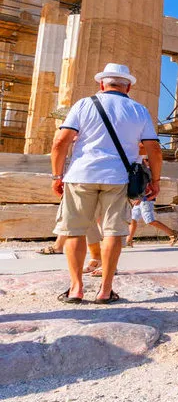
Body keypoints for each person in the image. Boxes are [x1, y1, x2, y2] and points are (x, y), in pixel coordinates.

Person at [50, 63, 161, 305]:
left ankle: (76, 288)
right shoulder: (139, 110)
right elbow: (153, 147)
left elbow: (60, 141)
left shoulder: (83, 104)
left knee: (74, 231)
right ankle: (105, 290)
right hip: (119, 177)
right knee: (113, 231)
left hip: (81, 174)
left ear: (102, 84)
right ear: (128, 86)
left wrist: (56, 175)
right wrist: (155, 180)